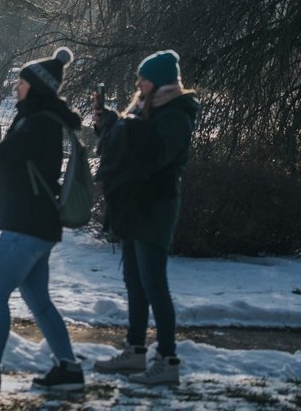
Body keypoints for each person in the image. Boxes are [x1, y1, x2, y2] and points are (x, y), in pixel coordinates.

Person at [0, 48, 85, 394]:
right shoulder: (39, 119)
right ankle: (68, 369)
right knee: (37, 299)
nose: (15, 87)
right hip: (37, 224)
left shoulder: (38, 122)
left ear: (36, 87)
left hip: (26, 225)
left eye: (21, 82)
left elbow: (0, 157)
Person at [92, 50, 199, 386]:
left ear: (160, 81)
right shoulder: (143, 109)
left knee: (154, 286)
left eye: (143, 77)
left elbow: (149, 157)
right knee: (135, 284)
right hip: (134, 206)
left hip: (155, 208)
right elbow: (124, 150)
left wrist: (121, 127)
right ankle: (135, 351)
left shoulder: (176, 114)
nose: (137, 83)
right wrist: (108, 125)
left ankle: (167, 360)